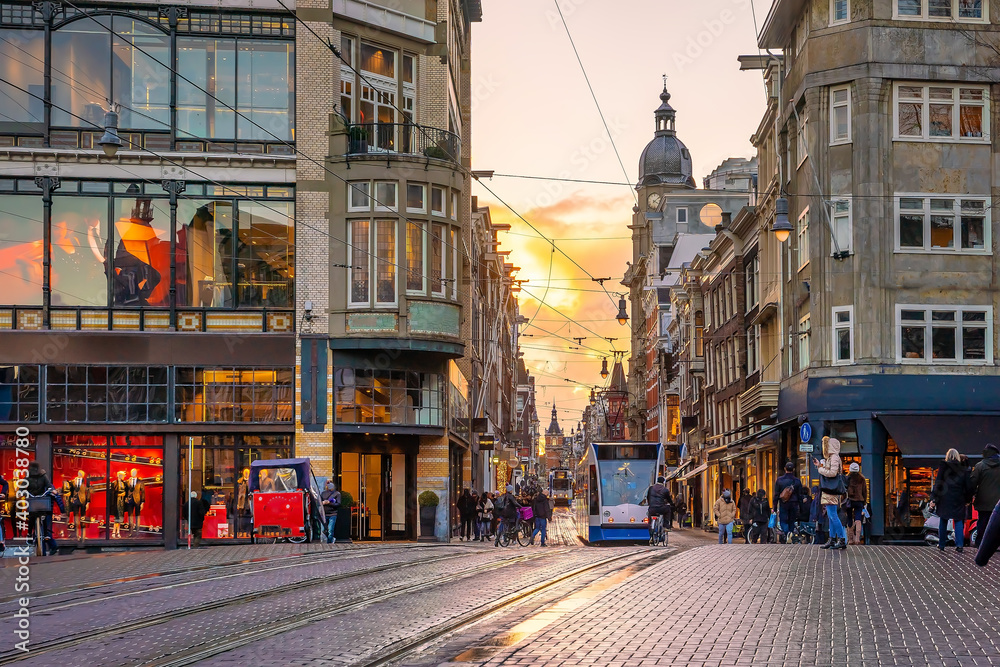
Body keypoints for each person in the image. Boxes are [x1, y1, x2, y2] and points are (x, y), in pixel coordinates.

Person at [931, 448, 971, 553]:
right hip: (958, 498)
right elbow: (968, 486)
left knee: (943, 520)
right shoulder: (964, 469)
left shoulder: (943, 467)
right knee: (958, 521)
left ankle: (942, 544)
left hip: (944, 498)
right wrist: (968, 499)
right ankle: (959, 545)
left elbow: (938, 483)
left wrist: (934, 498)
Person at [815, 436, 847, 550]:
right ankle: (832, 539)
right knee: (831, 515)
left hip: (831, 491)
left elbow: (832, 473)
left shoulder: (834, 458)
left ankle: (841, 539)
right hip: (831, 490)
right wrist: (820, 465)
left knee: (832, 515)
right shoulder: (834, 457)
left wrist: (820, 469)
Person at [26, 462, 64, 556]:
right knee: (39, 528)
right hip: (35, 507)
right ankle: (46, 548)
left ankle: (45, 551)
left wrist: (62, 509)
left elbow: (56, 496)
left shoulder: (48, 486)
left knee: (43, 529)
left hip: (46, 510)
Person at [970, 443, 1000, 543]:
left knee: (982, 523)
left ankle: (980, 543)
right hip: (998, 502)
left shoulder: (980, 466)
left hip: (983, 501)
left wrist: (971, 495)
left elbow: (973, 483)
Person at [774, 462, 804, 543]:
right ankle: (790, 533)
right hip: (794, 503)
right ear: (793, 469)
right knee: (792, 520)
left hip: (784, 503)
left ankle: (787, 533)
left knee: (783, 520)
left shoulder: (780, 480)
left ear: (785, 469)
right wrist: (801, 507)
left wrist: (774, 506)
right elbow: (800, 495)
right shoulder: (797, 481)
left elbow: (776, 495)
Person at [63, 470, 91, 542]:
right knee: (76, 518)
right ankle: (76, 535)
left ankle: (83, 536)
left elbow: (88, 491)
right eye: (79, 473)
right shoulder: (73, 481)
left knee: (82, 518)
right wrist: (71, 497)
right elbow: (71, 490)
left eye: (81, 473)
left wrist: (88, 502)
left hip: (83, 500)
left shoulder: (85, 481)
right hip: (75, 500)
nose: (80, 474)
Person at [846, 463, 868, 545]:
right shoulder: (862, 479)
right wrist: (864, 501)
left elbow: (844, 491)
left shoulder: (847, 478)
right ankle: (857, 539)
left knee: (849, 518)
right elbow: (865, 491)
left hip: (849, 501)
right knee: (858, 519)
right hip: (859, 500)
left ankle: (850, 539)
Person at [125, 468, 145, 535]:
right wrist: (126, 498)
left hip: (137, 500)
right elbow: (126, 490)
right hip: (130, 500)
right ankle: (130, 532)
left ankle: (137, 532)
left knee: (137, 516)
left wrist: (142, 502)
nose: (132, 474)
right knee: (130, 516)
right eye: (131, 472)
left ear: (136, 473)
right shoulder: (128, 481)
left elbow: (143, 492)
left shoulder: (140, 482)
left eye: (134, 472)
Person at [321, 480, 341, 544]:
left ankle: (329, 542)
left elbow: (338, 504)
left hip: (333, 514)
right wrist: (322, 503)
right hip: (324, 514)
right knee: (324, 529)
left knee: (330, 529)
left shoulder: (337, 494)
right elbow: (319, 503)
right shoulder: (323, 493)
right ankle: (326, 540)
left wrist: (329, 503)